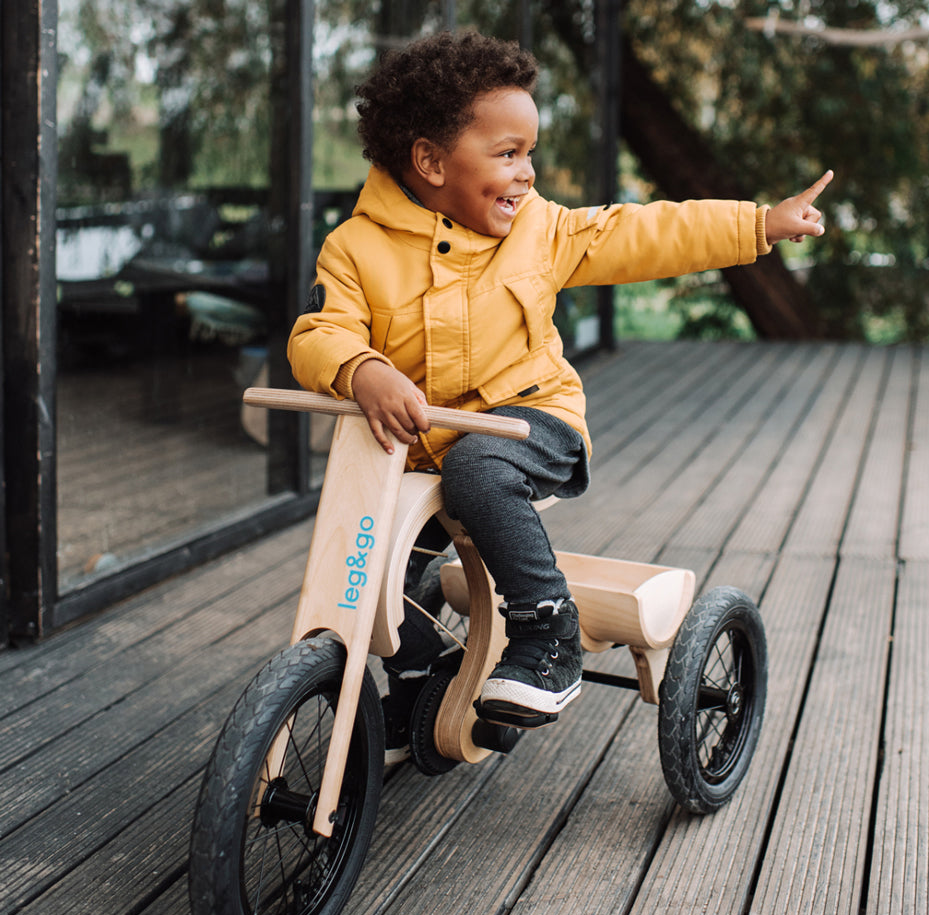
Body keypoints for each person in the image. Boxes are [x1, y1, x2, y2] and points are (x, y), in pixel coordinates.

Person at [287, 30, 832, 749]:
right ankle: (421, 682)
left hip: (531, 423)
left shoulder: (539, 230)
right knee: (373, 557)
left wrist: (756, 223)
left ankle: (547, 632)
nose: (526, 174)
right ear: (429, 160)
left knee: (478, 469)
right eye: (507, 153)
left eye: (529, 153)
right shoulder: (355, 247)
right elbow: (316, 333)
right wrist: (364, 369)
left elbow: (643, 234)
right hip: (423, 446)